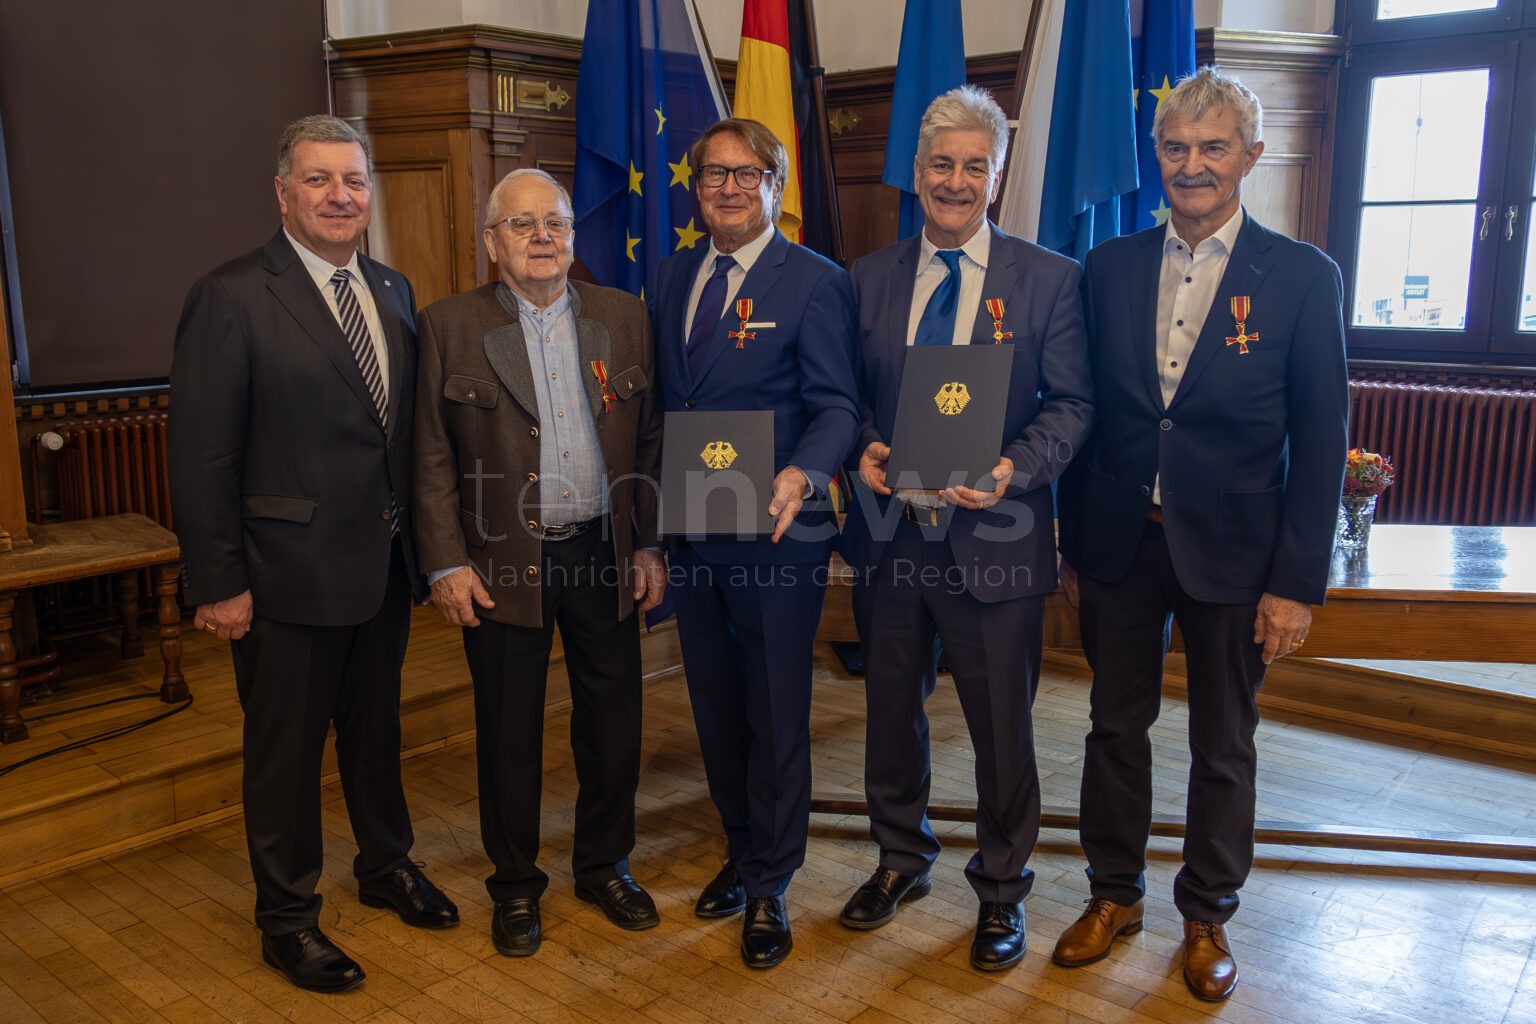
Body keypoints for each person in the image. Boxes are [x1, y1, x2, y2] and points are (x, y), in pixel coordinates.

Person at [1054, 67, 1348, 1001]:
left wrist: (1297, 582)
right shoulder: (1106, 267)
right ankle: (1114, 894)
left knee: (1224, 746)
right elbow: (1082, 411)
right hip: (1118, 547)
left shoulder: (1302, 277)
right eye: (1176, 147)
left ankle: (1208, 913)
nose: (1192, 165)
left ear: (1251, 159)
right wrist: (1070, 542)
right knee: (1113, 729)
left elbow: (1323, 437)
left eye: (1213, 147)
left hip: (1238, 556)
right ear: (1158, 155)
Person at [169, 115, 458, 994]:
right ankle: (288, 917)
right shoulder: (231, 296)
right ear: (283, 193)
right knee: (286, 757)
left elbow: (399, 435)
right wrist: (218, 583)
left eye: (354, 181)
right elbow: (201, 454)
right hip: (281, 577)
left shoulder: (395, 288)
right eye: (320, 180)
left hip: (379, 567)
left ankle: (385, 866)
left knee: (377, 737)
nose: (341, 197)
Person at [837, 85, 1093, 972]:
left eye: (973, 165)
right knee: (888, 717)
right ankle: (900, 859)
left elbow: (1072, 405)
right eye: (940, 164)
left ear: (998, 175)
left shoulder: (1051, 279)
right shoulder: (866, 279)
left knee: (1000, 730)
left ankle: (1001, 889)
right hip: (892, 538)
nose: (955, 180)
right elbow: (848, 401)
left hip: (997, 541)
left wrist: (1012, 469)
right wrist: (865, 446)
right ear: (916, 174)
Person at [412, 168, 666, 958]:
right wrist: (445, 563)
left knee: (613, 724)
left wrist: (650, 541)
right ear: (492, 243)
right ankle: (516, 887)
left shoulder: (626, 317)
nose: (542, 238)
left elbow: (651, 441)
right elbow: (428, 457)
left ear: (572, 235)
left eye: (554, 222)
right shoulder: (447, 326)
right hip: (501, 562)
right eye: (521, 226)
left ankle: (604, 866)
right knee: (509, 731)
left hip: (603, 550)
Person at [649, 118, 859, 968]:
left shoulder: (814, 282)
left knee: (775, 712)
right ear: (695, 188)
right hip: (694, 529)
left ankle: (771, 883)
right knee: (717, 706)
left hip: (776, 531)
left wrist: (804, 475)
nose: (728, 189)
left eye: (747, 175)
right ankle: (740, 849)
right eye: (713, 176)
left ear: (776, 186)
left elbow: (838, 405)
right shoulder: (669, 277)